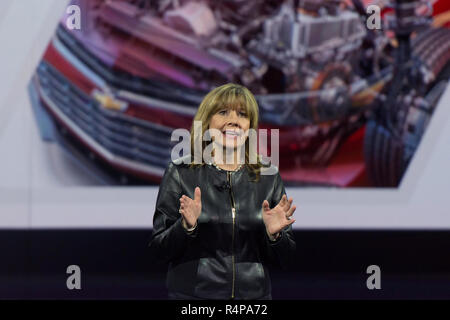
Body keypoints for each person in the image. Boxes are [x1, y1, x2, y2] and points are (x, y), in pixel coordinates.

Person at [148, 83, 297, 300]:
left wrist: (275, 236)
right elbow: (158, 251)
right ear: (207, 121)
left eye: (242, 114)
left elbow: (286, 260)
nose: (234, 120)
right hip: (194, 299)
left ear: (250, 127)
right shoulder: (181, 172)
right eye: (223, 112)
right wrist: (185, 227)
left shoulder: (268, 176)